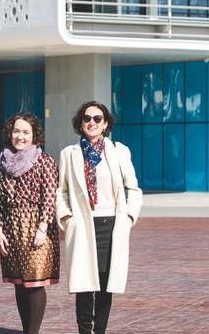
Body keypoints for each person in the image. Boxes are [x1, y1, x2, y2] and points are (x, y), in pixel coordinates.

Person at [56, 100, 142, 334]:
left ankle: (100, 330)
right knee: (84, 286)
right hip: (83, 225)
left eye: (97, 119)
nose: (91, 122)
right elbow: (61, 190)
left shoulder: (118, 151)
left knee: (105, 286)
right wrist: (66, 219)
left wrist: (129, 216)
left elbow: (132, 188)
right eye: (87, 118)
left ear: (105, 124)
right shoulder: (69, 154)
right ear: (80, 123)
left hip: (111, 225)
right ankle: (84, 331)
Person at [0, 112, 59, 334]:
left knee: (34, 283)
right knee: (19, 284)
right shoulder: (2, 161)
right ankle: (25, 330)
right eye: (16, 131)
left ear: (34, 135)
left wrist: (42, 228)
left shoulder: (44, 161)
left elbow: (50, 196)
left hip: (36, 229)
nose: (20, 137)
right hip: (11, 229)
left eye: (25, 132)